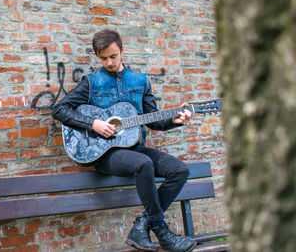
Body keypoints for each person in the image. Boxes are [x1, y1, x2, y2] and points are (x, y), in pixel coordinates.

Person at [52, 29, 196, 252]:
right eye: (103, 58)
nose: (109, 62)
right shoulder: (91, 82)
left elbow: (153, 120)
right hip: (104, 154)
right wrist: (94, 124)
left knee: (179, 170)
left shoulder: (140, 80)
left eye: (113, 56)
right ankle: (162, 232)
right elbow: (60, 109)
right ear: (97, 57)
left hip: (136, 148)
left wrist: (173, 121)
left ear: (122, 51)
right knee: (143, 163)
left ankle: (142, 225)